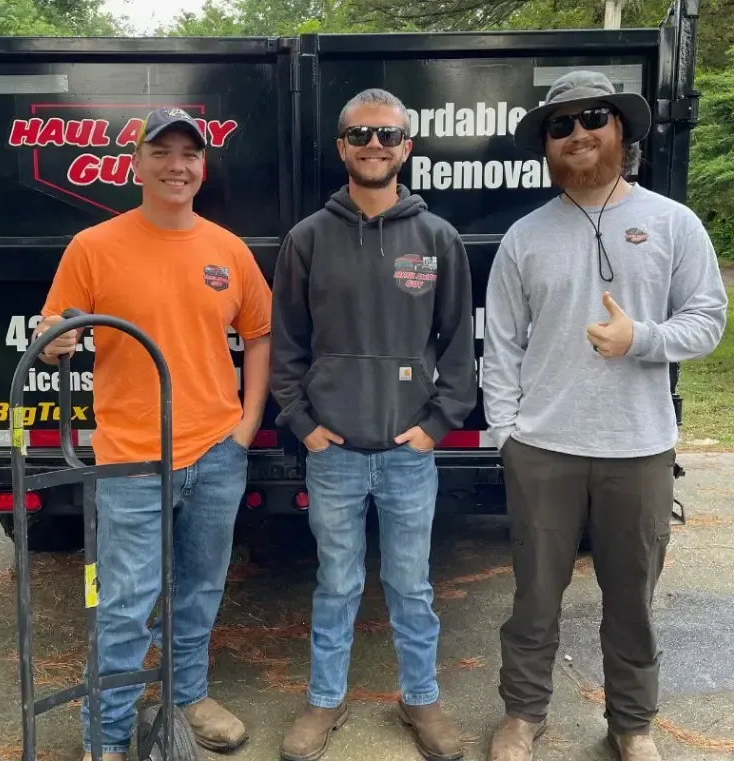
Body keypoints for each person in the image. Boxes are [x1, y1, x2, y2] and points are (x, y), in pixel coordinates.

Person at [482, 71, 728, 761]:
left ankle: (630, 722)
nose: (577, 134)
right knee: (533, 598)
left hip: (639, 449)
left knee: (632, 602)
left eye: (591, 117)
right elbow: (499, 346)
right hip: (542, 450)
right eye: (559, 126)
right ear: (547, 145)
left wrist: (639, 339)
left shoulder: (673, 223)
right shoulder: (523, 238)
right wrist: (507, 434)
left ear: (620, 129)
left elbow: (707, 321)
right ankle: (522, 714)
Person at [34, 107, 273, 761]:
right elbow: (54, 332)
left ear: (203, 165)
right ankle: (106, 736)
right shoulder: (94, 246)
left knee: (200, 588)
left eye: (189, 154)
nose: (177, 165)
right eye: (161, 152)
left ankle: (186, 695)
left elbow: (259, 335)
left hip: (217, 450)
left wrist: (246, 425)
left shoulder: (227, 251)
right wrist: (57, 342)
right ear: (135, 163)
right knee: (126, 602)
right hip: (131, 457)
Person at [270, 87, 476, 761]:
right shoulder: (306, 239)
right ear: (342, 147)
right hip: (331, 451)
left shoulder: (436, 237)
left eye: (387, 135)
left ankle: (421, 700)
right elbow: (286, 345)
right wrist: (303, 423)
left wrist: (435, 425)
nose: (374, 146)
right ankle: (323, 701)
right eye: (360, 135)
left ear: (406, 146)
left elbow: (457, 347)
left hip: (407, 451)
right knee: (336, 582)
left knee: (411, 585)